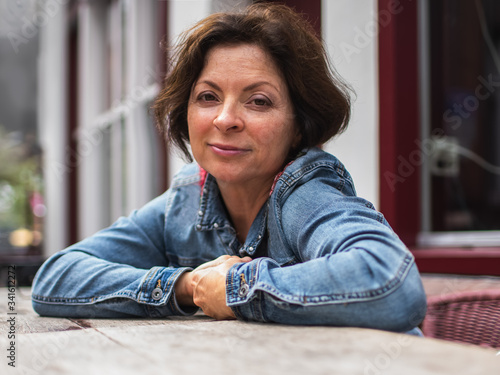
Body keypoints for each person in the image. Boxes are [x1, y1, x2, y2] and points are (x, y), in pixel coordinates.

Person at [31, 3, 427, 332]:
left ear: (298, 127)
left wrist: (237, 288)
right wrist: (190, 287)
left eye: (258, 101)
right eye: (207, 96)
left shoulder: (303, 192)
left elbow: (391, 282)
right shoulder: (188, 200)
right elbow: (57, 278)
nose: (225, 119)